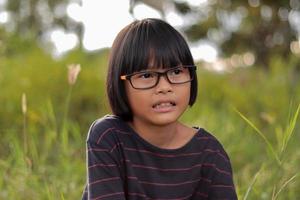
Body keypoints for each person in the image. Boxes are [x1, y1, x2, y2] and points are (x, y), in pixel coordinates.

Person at [82, 18, 237, 200]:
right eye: (147, 75)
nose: (164, 87)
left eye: (176, 72)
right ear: (120, 84)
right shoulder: (109, 137)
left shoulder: (211, 154)